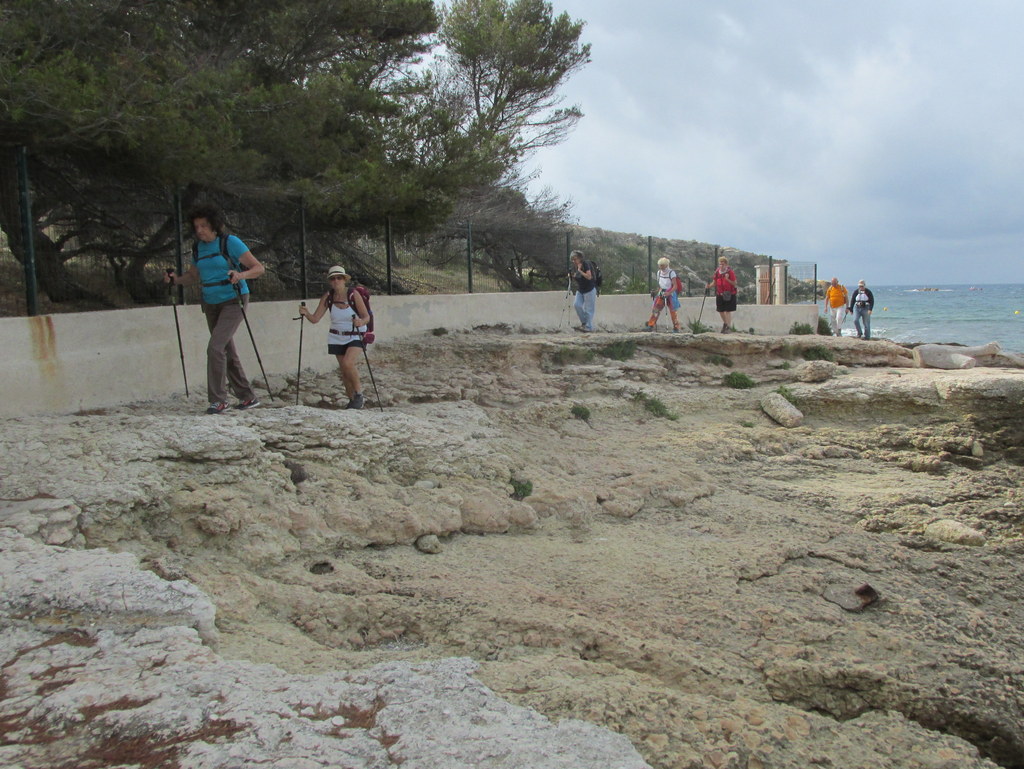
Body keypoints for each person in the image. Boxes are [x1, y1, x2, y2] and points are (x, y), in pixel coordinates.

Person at [165, 204, 265, 414]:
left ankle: (219, 400)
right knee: (225, 349)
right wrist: (175, 281)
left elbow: (258, 268)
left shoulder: (230, 243)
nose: (199, 230)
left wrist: (240, 275)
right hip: (210, 302)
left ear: (214, 225)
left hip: (233, 298)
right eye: (196, 226)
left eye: (203, 225)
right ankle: (247, 397)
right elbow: (193, 276)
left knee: (215, 348)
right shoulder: (198, 248)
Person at [299, 265, 371, 409]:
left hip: (355, 334)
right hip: (336, 336)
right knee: (344, 370)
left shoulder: (353, 294)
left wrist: (360, 321)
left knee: (348, 363)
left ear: (344, 279)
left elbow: (366, 316)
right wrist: (306, 313)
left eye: (339, 278)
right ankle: (352, 400)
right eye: (333, 278)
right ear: (330, 281)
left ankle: (359, 395)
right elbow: (315, 319)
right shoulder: (328, 296)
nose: (336, 281)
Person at [645, 257, 681, 332]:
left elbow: (675, 286)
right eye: (660, 265)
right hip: (662, 292)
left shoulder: (671, 273)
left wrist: (669, 293)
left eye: (662, 265)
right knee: (656, 309)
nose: (661, 267)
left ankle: (676, 328)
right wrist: (655, 291)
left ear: (666, 265)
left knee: (673, 311)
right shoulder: (659, 273)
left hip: (670, 293)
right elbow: (660, 285)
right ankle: (650, 325)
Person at [706, 255, 738, 333]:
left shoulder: (730, 272)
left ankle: (728, 327)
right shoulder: (717, 272)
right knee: (720, 310)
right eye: (720, 264)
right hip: (720, 294)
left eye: (723, 264)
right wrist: (709, 286)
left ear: (726, 264)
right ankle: (726, 324)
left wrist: (727, 279)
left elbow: (735, 283)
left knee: (727, 310)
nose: (721, 265)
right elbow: (715, 282)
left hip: (729, 294)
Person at [569, 250, 597, 332]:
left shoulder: (586, 264)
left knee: (589, 309)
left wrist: (580, 271)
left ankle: (589, 327)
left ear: (580, 258)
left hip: (589, 289)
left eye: (575, 259)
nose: (574, 261)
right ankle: (584, 323)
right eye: (573, 259)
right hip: (581, 289)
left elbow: (589, 276)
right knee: (577, 305)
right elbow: (577, 277)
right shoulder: (575, 266)